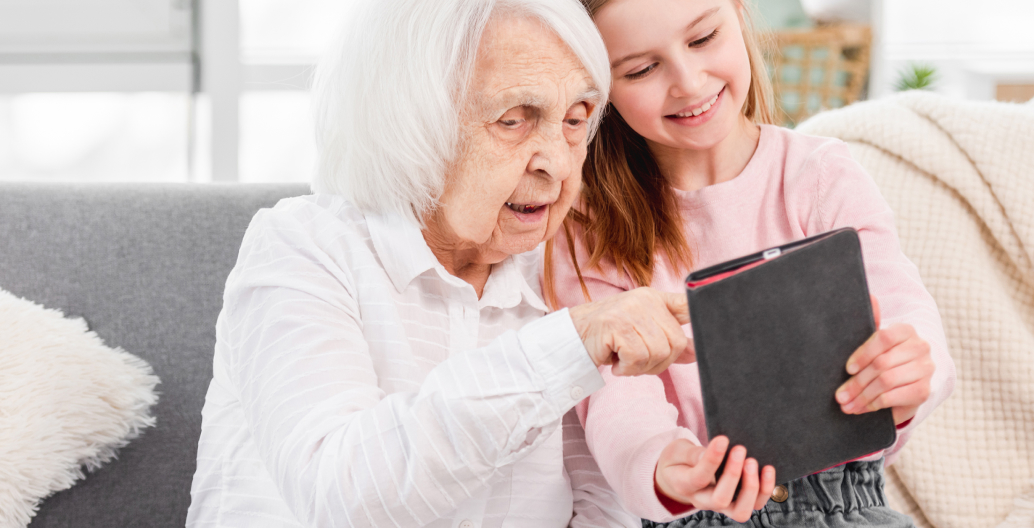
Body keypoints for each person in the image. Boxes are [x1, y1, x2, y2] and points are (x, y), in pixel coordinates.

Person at [186, 1, 694, 526]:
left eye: (574, 120)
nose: (558, 163)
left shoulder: (564, 271)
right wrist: (564, 348)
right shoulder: (301, 248)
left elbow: (600, 505)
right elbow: (342, 496)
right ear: (408, 122)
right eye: (514, 120)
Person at [544, 0, 957, 526]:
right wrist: (663, 466)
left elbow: (905, 311)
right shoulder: (589, 228)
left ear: (738, 14)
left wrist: (911, 370)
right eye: (642, 69)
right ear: (598, 89)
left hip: (843, 503)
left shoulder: (820, 175)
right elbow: (615, 398)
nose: (690, 84)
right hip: (699, 505)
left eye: (702, 39)